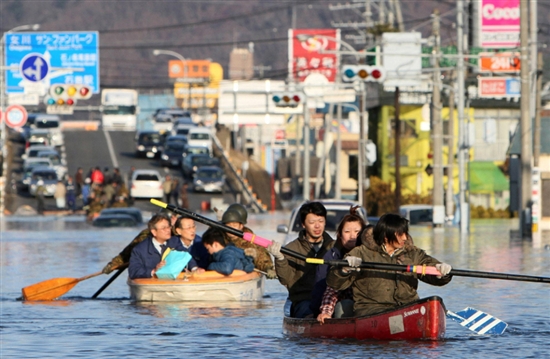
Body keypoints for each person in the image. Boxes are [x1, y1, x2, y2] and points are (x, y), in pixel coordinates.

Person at [326, 213, 453, 317]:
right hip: (371, 311)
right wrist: (344, 269)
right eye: (400, 234)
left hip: (407, 309)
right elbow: (334, 282)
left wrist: (441, 272)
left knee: (433, 302)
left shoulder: (413, 253)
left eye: (405, 233)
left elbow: (431, 267)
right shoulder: (361, 253)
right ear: (386, 236)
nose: (404, 238)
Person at [267, 201, 335, 318]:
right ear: (303, 224)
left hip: (330, 300)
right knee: (307, 312)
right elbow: (285, 279)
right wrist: (279, 258)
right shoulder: (291, 249)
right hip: (303, 301)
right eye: (312, 222)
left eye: (321, 221)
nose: (317, 226)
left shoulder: (334, 247)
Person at [316, 220, 373, 324]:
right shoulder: (333, 256)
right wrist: (326, 313)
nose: (352, 236)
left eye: (356, 232)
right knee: (345, 306)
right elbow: (332, 290)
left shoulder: (386, 256)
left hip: (379, 307)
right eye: (347, 231)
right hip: (355, 307)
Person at [102, 209, 179, 274]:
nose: (168, 228)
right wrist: (113, 264)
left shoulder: (183, 231)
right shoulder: (147, 234)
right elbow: (129, 251)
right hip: (152, 271)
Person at [221, 203, 277, 279]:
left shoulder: (249, 241)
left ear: (241, 225)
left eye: (234, 224)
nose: (231, 228)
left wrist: (268, 268)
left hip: (241, 273)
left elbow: (261, 256)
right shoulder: (218, 235)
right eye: (228, 224)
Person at [128, 213, 184, 279]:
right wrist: (154, 271)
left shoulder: (176, 242)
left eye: (169, 227)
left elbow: (187, 255)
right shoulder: (139, 250)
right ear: (154, 232)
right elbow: (133, 272)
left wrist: (194, 268)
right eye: (163, 228)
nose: (168, 230)